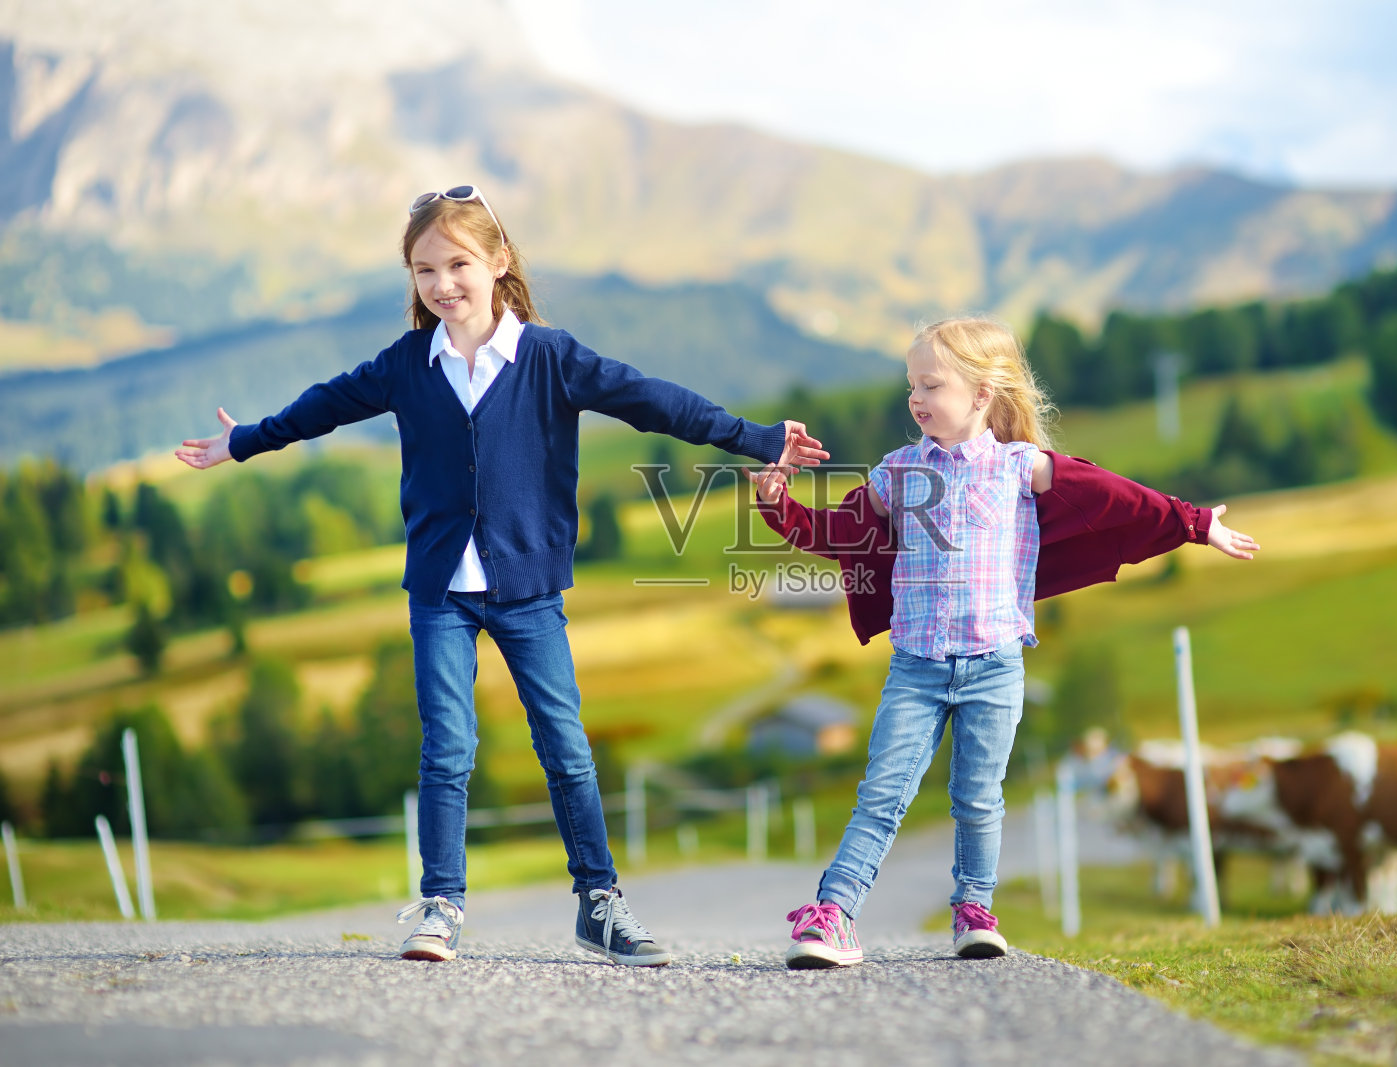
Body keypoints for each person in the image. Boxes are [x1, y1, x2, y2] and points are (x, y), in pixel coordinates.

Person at [176, 184, 828, 965]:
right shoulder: (406, 366)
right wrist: (245, 440)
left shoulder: (550, 358)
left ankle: (600, 900)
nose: (442, 283)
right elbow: (323, 406)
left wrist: (755, 439)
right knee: (447, 747)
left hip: (527, 590)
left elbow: (654, 401)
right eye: (424, 270)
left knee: (565, 746)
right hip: (440, 591)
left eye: (457, 263)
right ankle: (441, 904)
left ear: (499, 262)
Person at [747, 316, 1259, 968]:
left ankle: (974, 908)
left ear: (982, 393)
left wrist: (1194, 522)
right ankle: (834, 914)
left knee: (979, 798)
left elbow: (1118, 499)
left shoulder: (1023, 468)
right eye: (912, 384)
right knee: (882, 794)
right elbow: (840, 534)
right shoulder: (896, 473)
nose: (916, 397)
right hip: (917, 667)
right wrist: (777, 507)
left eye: (931, 383)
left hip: (995, 665)